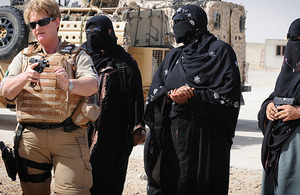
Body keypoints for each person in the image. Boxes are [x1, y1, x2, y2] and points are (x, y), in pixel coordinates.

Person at [0, 0, 100, 194]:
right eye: (33, 24)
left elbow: (93, 85)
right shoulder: (23, 56)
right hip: (31, 139)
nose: (38, 28)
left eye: (43, 22)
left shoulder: (76, 54)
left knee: (74, 191)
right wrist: (24, 76)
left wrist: (69, 84)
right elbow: (6, 92)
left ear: (57, 21)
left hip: (68, 137)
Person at [143, 4, 241, 195]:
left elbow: (230, 95)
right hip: (173, 136)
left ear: (196, 23)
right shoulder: (174, 56)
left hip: (207, 138)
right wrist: (170, 98)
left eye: (182, 21)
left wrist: (193, 97)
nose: (176, 26)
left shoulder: (221, 52)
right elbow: (156, 92)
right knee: (174, 181)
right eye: (175, 22)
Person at [81, 15, 146, 195]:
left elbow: (135, 98)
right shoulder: (79, 59)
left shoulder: (124, 62)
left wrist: (136, 127)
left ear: (110, 32)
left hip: (113, 137)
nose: (93, 35)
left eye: (98, 31)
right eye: (89, 31)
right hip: (79, 134)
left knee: (109, 182)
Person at [258, 18, 300, 195]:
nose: (295, 45)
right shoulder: (288, 71)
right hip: (281, 144)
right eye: (292, 39)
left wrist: (298, 111)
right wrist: (269, 107)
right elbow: (276, 95)